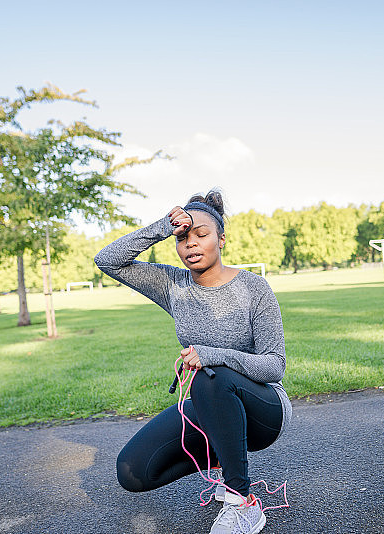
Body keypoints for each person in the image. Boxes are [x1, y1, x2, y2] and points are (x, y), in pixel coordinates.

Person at [94, 189, 291, 534]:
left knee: (210, 376)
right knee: (132, 472)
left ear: (221, 239)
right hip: (210, 404)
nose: (191, 244)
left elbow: (274, 365)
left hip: (265, 410)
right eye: (183, 237)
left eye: (202, 234)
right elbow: (107, 260)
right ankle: (228, 465)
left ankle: (242, 501)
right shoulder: (174, 285)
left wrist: (214, 355)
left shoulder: (253, 288)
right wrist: (163, 226)